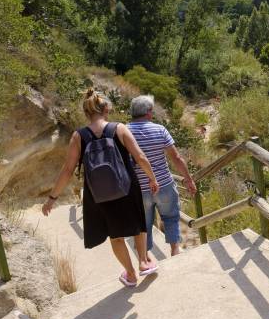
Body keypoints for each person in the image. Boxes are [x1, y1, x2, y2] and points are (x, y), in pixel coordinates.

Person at [42, 89, 158, 288]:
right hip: (127, 186)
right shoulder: (119, 128)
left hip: (99, 194)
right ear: (105, 108)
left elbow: (68, 170)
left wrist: (52, 198)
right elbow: (140, 157)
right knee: (138, 224)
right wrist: (152, 178)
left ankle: (130, 274)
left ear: (87, 112)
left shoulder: (79, 136)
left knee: (116, 235)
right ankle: (144, 262)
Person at [128, 95, 196, 257]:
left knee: (143, 225)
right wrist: (188, 179)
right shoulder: (159, 129)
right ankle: (174, 250)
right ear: (149, 113)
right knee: (171, 217)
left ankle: (145, 260)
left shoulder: (124, 131)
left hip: (139, 189)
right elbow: (176, 158)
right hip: (164, 184)